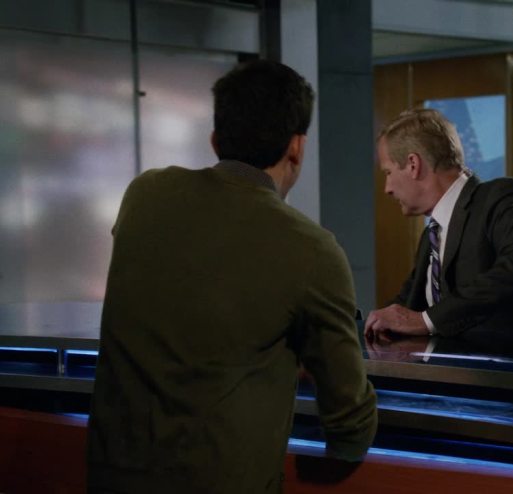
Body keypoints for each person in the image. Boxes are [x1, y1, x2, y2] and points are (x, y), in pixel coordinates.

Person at [87, 60, 377, 493]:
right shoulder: (312, 250)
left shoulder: (145, 194)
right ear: (297, 147)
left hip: (113, 479)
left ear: (215, 140)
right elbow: (350, 429)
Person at [365, 108, 513, 338]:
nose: (387, 189)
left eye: (388, 172)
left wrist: (427, 320)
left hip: (509, 358)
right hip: (446, 360)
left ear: (413, 164)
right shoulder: (432, 235)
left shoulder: (500, 197)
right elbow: (404, 309)